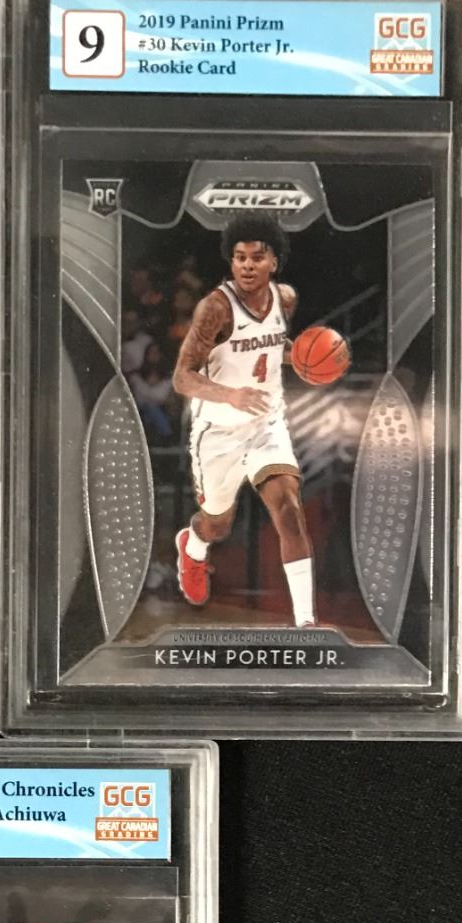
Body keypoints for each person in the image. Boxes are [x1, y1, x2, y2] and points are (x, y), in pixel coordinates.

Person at [171, 214, 316, 628]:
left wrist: (302, 358)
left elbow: (268, 348)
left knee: (289, 509)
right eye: (240, 257)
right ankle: (192, 547)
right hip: (217, 431)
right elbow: (182, 377)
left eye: (257, 257)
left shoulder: (285, 299)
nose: (248, 265)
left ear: (274, 261)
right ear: (231, 261)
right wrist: (230, 394)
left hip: (266, 423)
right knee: (217, 526)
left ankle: (306, 622)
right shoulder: (215, 308)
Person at [128, 341, 179, 443]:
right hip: (141, 411)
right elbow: (140, 398)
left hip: (163, 410)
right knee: (150, 408)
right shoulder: (136, 377)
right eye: (151, 353)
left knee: (153, 409)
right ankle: (167, 435)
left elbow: (161, 397)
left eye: (156, 352)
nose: (154, 356)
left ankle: (166, 436)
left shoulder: (168, 379)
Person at [119, 308, 152, 376]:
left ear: (138, 323)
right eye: (125, 321)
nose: (128, 325)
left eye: (131, 322)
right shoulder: (113, 337)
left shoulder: (145, 341)